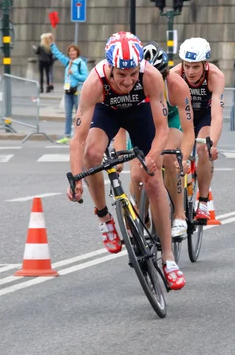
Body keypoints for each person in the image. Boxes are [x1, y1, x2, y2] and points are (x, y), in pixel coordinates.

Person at [66, 32, 185, 290]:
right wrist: (75, 177)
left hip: (140, 114)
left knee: (152, 182)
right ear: (109, 67)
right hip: (107, 112)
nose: (128, 80)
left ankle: (168, 258)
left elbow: (163, 129)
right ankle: (104, 218)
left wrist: (152, 157)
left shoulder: (150, 75)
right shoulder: (94, 82)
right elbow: (77, 138)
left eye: (133, 73)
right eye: (121, 75)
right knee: (92, 155)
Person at [115, 42, 196, 240]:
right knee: (136, 174)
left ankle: (179, 215)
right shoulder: (130, 86)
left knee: (169, 158)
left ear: (165, 74)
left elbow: (188, 131)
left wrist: (183, 159)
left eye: (158, 76)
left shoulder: (177, 86)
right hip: (144, 122)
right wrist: (119, 156)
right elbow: (120, 126)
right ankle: (143, 218)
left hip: (170, 121)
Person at [171, 38, 225, 221]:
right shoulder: (174, 74)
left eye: (195, 67)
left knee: (203, 149)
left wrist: (213, 144)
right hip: (182, 115)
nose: (190, 72)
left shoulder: (215, 76)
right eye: (187, 66)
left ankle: (202, 201)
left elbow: (217, 114)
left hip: (204, 116)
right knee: (172, 152)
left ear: (205, 64)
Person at [48, 34, 89, 144]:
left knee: (79, 114)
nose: (72, 53)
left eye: (73, 51)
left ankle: (80, 135)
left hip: (78, 91)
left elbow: (86, 77)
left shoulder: (81, 63)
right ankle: (67, 135)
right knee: (68, 114)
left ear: (77, 52)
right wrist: (52, 44)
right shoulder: (68, 62)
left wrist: (74, 73)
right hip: (68, 91)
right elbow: (58, 54)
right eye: (70, 51)